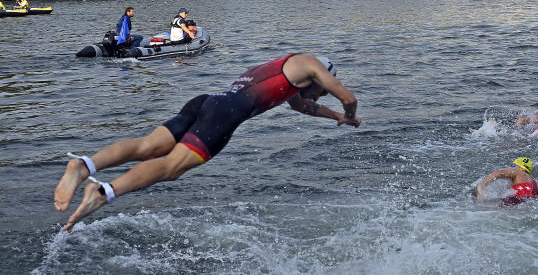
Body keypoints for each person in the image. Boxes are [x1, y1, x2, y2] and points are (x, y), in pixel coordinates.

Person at [54, 53, 360, 231]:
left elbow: (305, 107)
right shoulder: (311, 65)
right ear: (322, 79)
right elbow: (349, 96)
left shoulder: (283, 71)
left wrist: (336, 117)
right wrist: (349, 113)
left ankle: (83, 165)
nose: (318, 96)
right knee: (171, 167)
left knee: (149, 146)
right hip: (225, 115)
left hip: (206, 102)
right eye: (321, 91)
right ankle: (103, 191)